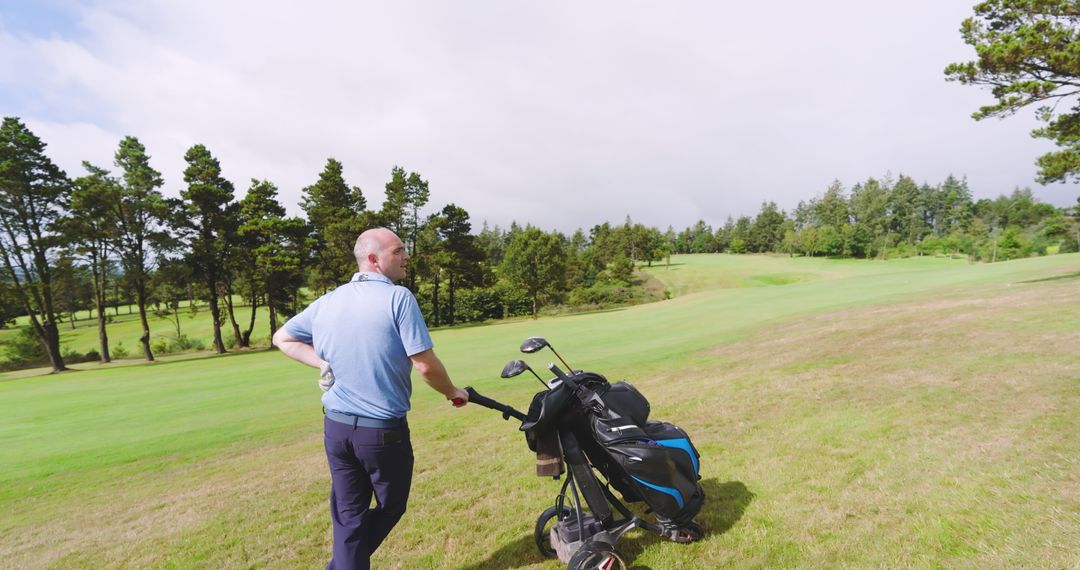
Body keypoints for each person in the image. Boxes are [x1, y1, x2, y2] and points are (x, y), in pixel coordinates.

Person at [272, 227, 469, 570]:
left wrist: (322, 363)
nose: (407, 256)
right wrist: (453, 392)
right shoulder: (398, 297)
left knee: (350, 518)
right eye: (399, 250)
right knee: (391, 506)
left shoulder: (328, 301)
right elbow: (424, 365)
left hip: (336, 430)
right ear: (374, 259)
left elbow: (282, 338)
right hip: (381, 435)